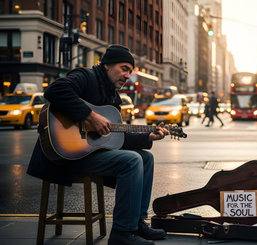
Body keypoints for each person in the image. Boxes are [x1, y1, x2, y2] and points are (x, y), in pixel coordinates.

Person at [27, 45, 168, 245]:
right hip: (64, 155)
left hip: (87, 154)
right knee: (132, 161)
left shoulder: (112, 97)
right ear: (107, 65)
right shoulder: (86, 76)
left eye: (130, 71)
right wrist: (90, 116)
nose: (127, 75)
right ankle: (122, 233)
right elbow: (55, 90)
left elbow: (115, 138)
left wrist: (148, 137)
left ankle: (136, 223)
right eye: (124, 68)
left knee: (146, 158)